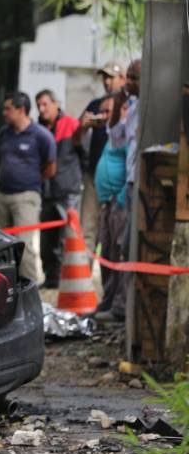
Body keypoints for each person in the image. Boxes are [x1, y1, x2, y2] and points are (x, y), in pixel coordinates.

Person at [0, 92, 57, 282]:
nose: (4, 112)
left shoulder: (41, 135)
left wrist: (31, 181)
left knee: (23, 246)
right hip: (1, 195)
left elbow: (51, 168)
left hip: (26, 197)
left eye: (8, 109)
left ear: (21, 110)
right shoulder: (3, 133)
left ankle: (29, 288)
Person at [101, 58, 142, 323]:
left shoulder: (150, 107)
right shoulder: (133, 107)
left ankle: (124, 307)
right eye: (127, 77)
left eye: (133, 77)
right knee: (121, 247)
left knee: (128, 246)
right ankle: (118, 305)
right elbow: (116, 137)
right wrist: (117, 104)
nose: (128, 83)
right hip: (129, 184)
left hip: (138, 184)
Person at [74, 61, 127, 250]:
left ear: (123, 78)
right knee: (88, 228)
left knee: (116, 231)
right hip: (94, 176)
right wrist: (83, 126)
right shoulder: (95, 104)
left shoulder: (130, 105)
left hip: (121, 179)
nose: (106, 82)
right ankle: (84, 268)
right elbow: (76, 140)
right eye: (104, 77)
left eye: (111, 77)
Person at [35, 89, 83, 289]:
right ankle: (51, 278)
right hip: (46, 192)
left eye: (45, 104)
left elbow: (84, 153)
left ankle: (67, 278)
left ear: (56, 104)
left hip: (67, 190)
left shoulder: (71, 124)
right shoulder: (37, 129)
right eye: (39, 105)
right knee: (47, 240)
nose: (42, 109)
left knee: (67, 237)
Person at [92, 94, 128, 321]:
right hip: (107, 203)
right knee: (106, 254)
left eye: (109, 111)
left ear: (123, 109)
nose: (105, 116)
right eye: (103, 112)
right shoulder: (112, 134)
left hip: (118, 202)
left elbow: (132, 167)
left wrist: (121, 198)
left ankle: (118, 307)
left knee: (118, 253)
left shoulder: (126, 134)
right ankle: (107, 300)